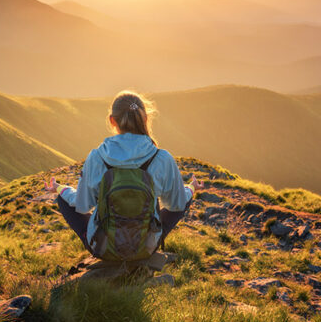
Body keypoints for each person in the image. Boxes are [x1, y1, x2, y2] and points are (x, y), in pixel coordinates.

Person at [45, 90, 204, 259]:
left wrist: (61, 188)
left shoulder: (97, 157)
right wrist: (191, 188)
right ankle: (147, 243)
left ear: (112, 121)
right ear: (144, 119)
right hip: (146, 247)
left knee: (64, 198)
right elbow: (177, 204)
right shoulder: (162, 158)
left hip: (105, 248)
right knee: (182, 198)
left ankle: (100, 242)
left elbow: (83, 206)